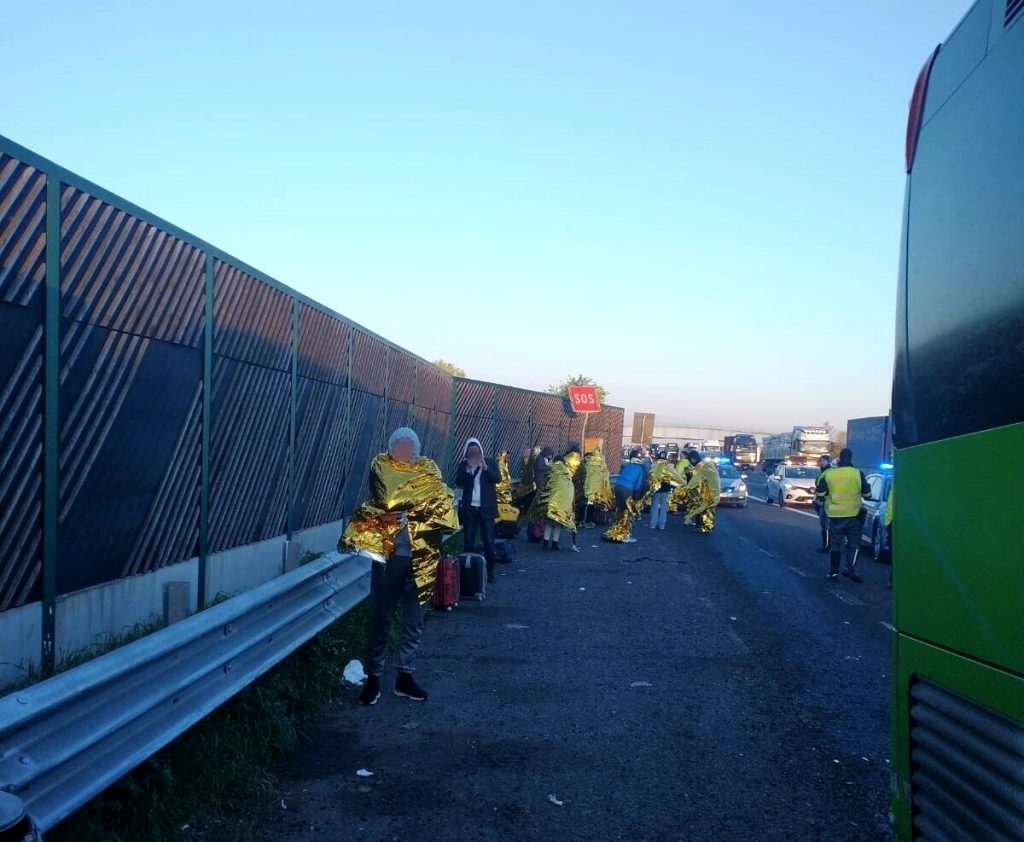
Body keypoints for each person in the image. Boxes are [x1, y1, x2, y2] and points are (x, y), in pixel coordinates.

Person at [341, 427, 458, 705]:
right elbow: (387, 502)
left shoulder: (429, 472)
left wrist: (415, 506)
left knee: (414, 619)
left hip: (421, 557)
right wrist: (414, 503)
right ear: (392, 448)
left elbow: (443, 504)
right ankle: (373, 679)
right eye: (399, 446)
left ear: (415, 450)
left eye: (408, 446)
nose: (404, 451)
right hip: (389, 558)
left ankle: (405, 676)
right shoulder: (381, 467)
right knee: (381, 618)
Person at [815, 447, 871, 583]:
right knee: (854, 543)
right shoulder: (858, 474)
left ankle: (833, 572)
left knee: (836, 544)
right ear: (851, 459)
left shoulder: (830, 474)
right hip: (854, 515)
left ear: (839, 459)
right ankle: (849, 569)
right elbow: (867, 495)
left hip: (835, 515)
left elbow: (820, 493)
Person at [455, 437, 501, 584]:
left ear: (480, 451)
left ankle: (490, 571)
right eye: (470, 452)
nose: (473, 454)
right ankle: (468, 571)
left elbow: (497, 478)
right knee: (469, 541)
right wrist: (470, 469)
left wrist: (485, 467)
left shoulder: (490, 462)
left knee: (488, 541)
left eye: (476, 451)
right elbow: (459, 481)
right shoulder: (464, 465)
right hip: (470, 508)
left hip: (486, 508)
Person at [603, 448, 650, 543]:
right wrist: (637, 496)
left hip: (618, 487)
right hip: (627, 490)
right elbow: (640, 484)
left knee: (620, 511)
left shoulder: (628, 466)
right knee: (628, 513)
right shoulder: (643, 468)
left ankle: (615, 532)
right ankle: (625, 536)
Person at [680, 451, 721, 534]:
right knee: (701, 509)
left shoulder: (702, 466)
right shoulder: (701, 466)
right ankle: (702, 526)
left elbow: (694, 481)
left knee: (706, 509)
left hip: (708, 493)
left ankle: (706, 527)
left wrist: (688, 475)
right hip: (703, 493)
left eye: (690, 460)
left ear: (693, 459)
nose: (690, 463)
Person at [646, 458, 679, 530]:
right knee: (664, 506)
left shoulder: (655, 467)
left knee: (654, 506)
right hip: (665, 489)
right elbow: (673, 478)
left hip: (656, 489)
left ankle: (653, 524)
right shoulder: (668, 467)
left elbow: (650, 477)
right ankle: (662, 524)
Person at [813, 454, 833, 553]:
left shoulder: (828, 472)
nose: (820, 462)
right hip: (823, 501)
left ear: (828, 462)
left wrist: (820, 499)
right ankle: (827, 545)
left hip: (826, 502)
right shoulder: (823, 472)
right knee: (825, 524)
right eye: (820, 461)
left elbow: (823, 489)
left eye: (823, 461)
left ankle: (827, 546)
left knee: (826, 524)